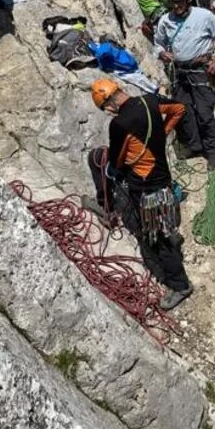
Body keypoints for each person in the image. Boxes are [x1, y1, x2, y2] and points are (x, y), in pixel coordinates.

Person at [83, 78, 193, 311]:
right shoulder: (150, 100)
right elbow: (179, 108)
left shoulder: (120, 124)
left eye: (106, 110)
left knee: (154, 239)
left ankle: (180, 284)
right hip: (162, 179)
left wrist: (118, 169)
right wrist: (162, 134)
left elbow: (117, 161)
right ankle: (166, 230)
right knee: (160, 230)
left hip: (146, 190)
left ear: (109, 106)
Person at [154, 0, 215, 170]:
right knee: (184, 110)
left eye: (180, 2)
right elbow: (157, 44)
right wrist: (161, 53)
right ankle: (194, 146)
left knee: (205, 112)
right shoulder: (165, 20)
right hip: (180, 72)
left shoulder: (205, 16)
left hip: (200, 71)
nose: (176, 6)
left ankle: (213, 151)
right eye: (173, 2)